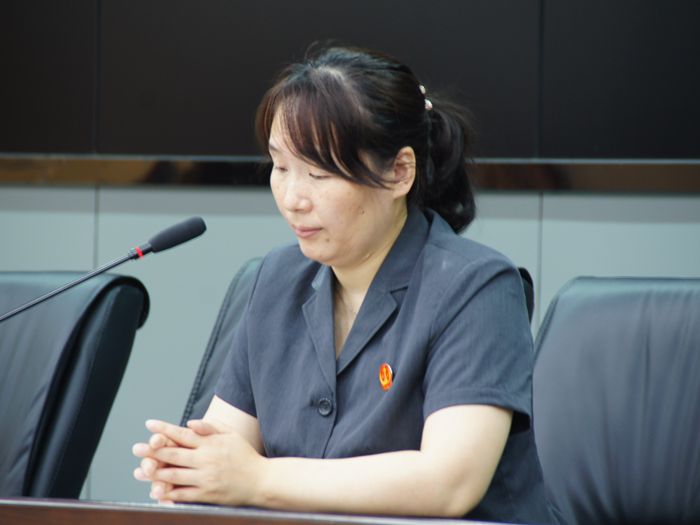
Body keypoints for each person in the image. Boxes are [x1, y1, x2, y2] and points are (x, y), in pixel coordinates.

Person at [133, 45, 556, 523]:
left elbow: (448, 483)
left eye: (318, 173)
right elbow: (224, 446)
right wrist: (191, 469)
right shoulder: (275, 279)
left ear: (399, 172)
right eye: (281, 167)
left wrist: (257, 479)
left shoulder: (475, 287)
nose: (293, 198)